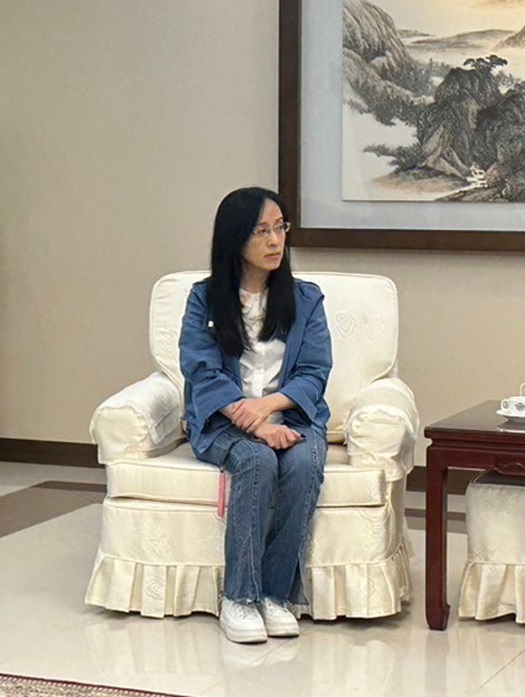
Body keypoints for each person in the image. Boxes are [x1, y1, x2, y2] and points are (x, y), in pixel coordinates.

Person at [179, 187, 332, 644]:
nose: (275, 240)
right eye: (261, 231)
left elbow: (314, 372)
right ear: (235, 238)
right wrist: (255, 425)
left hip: (291, 417)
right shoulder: (204, 299)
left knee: (303, 463)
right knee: (257, 459)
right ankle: (240, 598)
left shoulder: (306, 299)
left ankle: (275, 596)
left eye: (280, 228)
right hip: (225, 420)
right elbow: (202, 371)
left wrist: (268, 409)